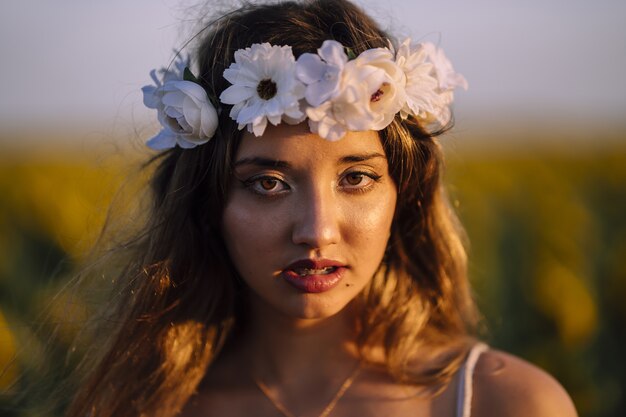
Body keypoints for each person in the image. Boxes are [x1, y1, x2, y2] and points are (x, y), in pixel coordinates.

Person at [64, 0, 578, 416]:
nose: (317, 231)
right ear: (206, 201)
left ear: (405, 193)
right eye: (268, 183)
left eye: (356, 178)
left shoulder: (507, 404)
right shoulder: (145, 406)